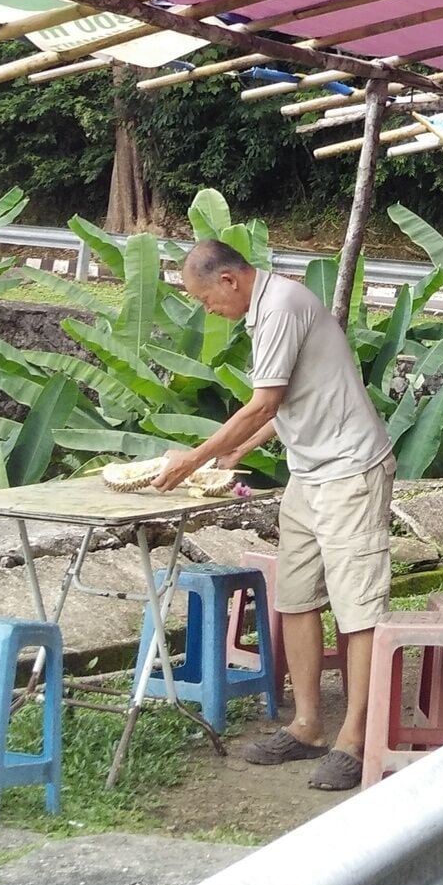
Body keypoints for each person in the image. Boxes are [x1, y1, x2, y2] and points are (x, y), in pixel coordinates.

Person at [154, 240, 393, 791]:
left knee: (357, 609)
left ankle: (354, 738)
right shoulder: (266, 312)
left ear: (231, 280)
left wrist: (196, 458)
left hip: (350, 470)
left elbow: (264, 399)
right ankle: (307, 725)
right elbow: (287, 399)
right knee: (297, 596)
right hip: (309, 474)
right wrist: (236, 450)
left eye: (204, 298)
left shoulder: (281, 305)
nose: (205, 309)